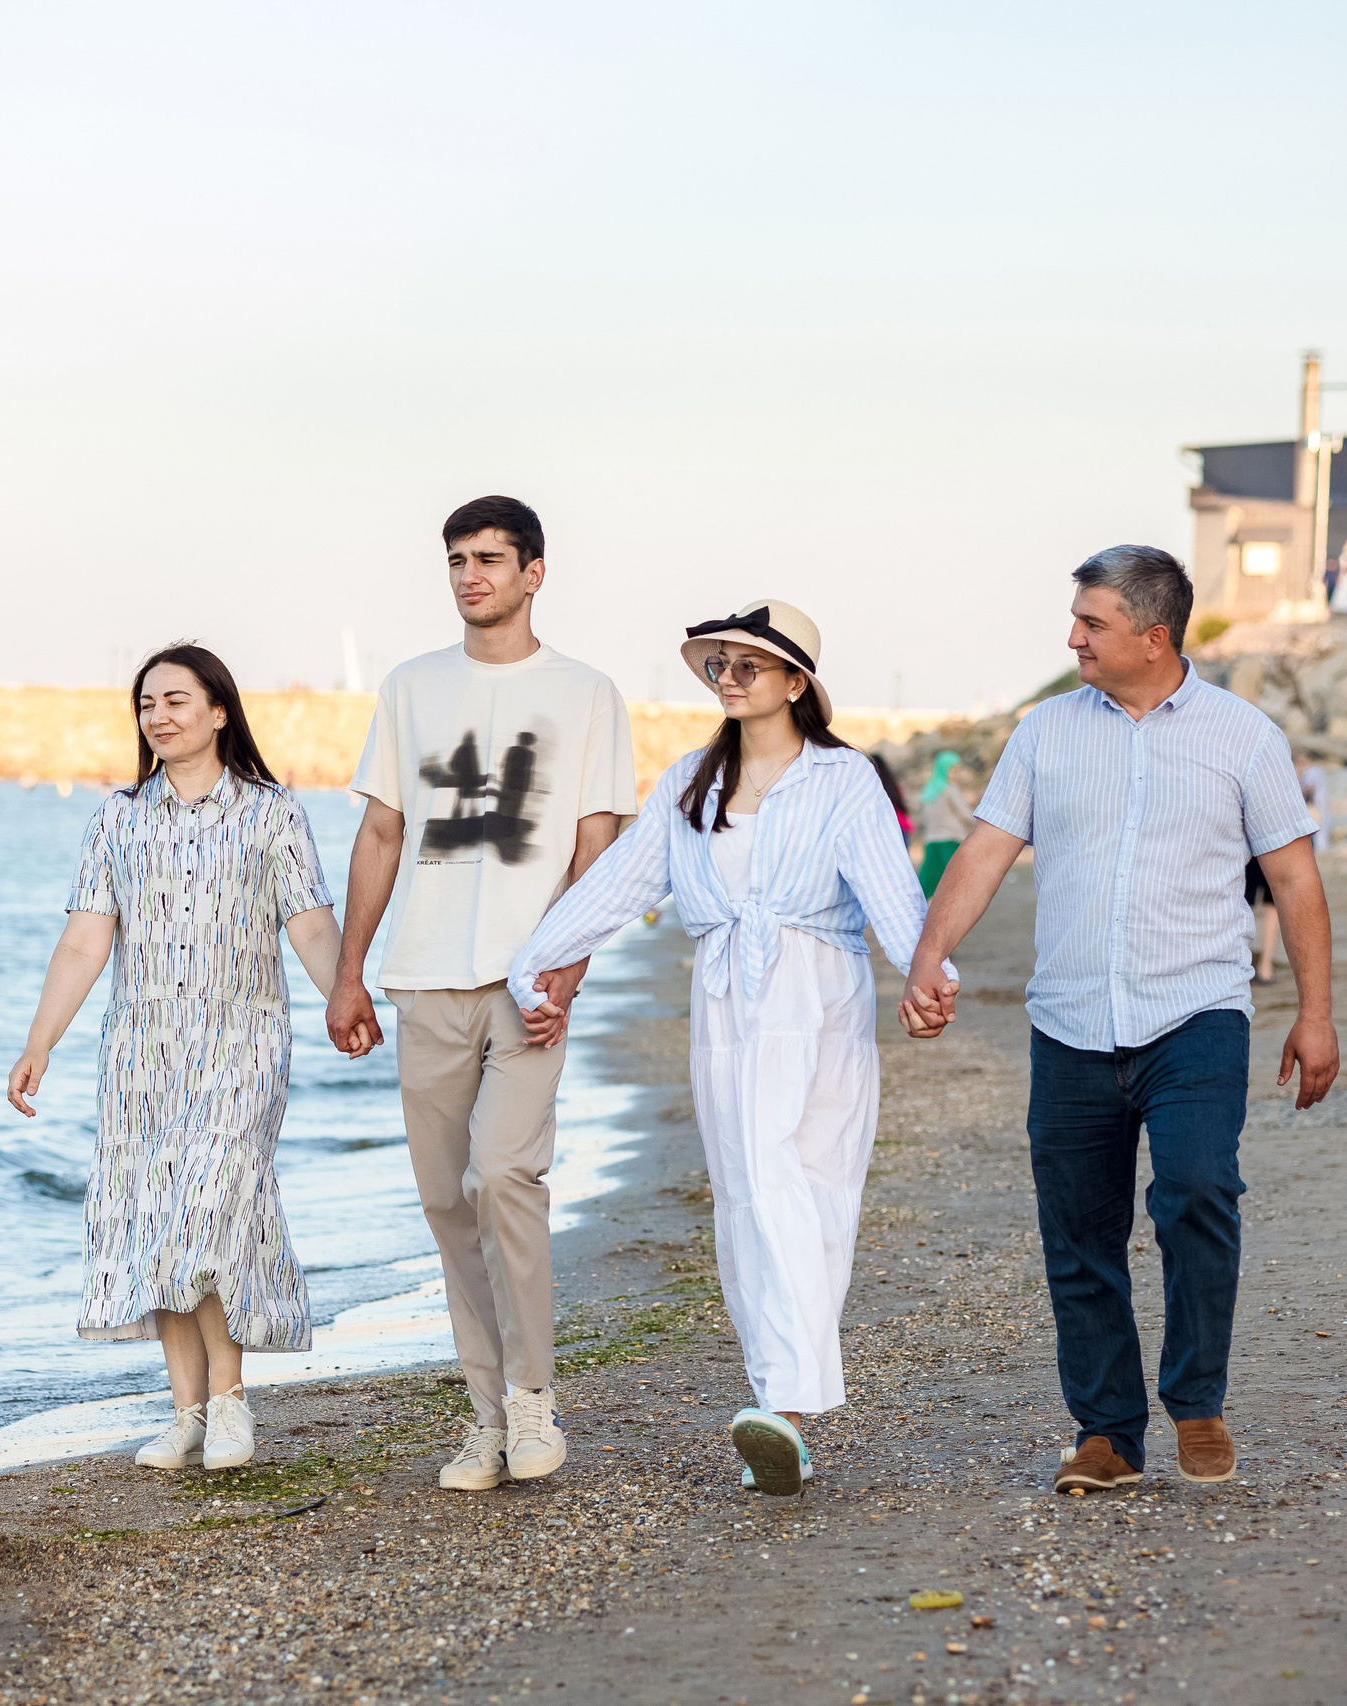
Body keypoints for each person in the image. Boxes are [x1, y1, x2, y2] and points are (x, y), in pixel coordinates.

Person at [899, 546, 1339, 1495]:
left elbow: (1296, 880)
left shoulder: (1243, 737)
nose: (1073, 639)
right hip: (1069, 1023)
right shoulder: (1045, 734)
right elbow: (984, 852)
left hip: (1197, 1014)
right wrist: (929, 954)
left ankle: (1197, 1400)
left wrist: (1316, 1014)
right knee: (1079, 1236)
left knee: (1198, 1192)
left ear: (1154, 637)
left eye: (1091, 623)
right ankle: (1107, 1434)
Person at [507, 600, 944, 1497]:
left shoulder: (844, 779)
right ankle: (781, 1409)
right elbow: (619, 885)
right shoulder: (689, 783)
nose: (731, 678)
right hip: (724, 1004)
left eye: (750, 665)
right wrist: (536, 962)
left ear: (796, 683)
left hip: (818, 1000)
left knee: (813, 1187)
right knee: (747, 1194)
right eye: (720, 665)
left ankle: (786, 1407)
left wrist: (927, 976)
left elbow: (892, 895)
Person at [324, 496, 637, 1492]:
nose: (471, 576)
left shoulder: (586, 693)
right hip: (424, 977)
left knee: (503, 1176)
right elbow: (382, 833)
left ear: (533, 572)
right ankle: (487, 1416)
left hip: (528, 978)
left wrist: (568, 969)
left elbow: (596, 844)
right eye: (458, 559)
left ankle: (533, 1398)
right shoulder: (411, 686)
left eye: (491, 559)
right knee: (443, 1200)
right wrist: (348, 974)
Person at [6, 644, 373, 1474]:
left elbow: (310, 922)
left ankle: (231, 1403)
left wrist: (346, 997)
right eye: (147, 705)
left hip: (244, 1046)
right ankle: (186, 1414)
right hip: (142, 1057)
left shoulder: (272, 814)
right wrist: (39, 1043)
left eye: (176, 700)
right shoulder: (118, 819)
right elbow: (84, 941)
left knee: (209, 1214)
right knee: (158, 1225)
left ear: (218, 712)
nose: (159, 716)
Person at [1248, 752, 1328, 984]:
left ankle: (1251, 964)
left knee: (1246, 905)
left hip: (1255, 848)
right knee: (1271, 908)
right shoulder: (1291, 783)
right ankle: (1265, 966)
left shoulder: (1256, 776)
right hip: (1278, 846)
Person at [915, 750, 975, 896]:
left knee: (930, 884)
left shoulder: (928, 790)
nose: (956, 775)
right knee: (953, 884)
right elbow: (965, 814)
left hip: (931, 841)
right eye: (953, 770)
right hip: (950, 839)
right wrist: (977, 827)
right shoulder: (950, 789)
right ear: (944, 770)